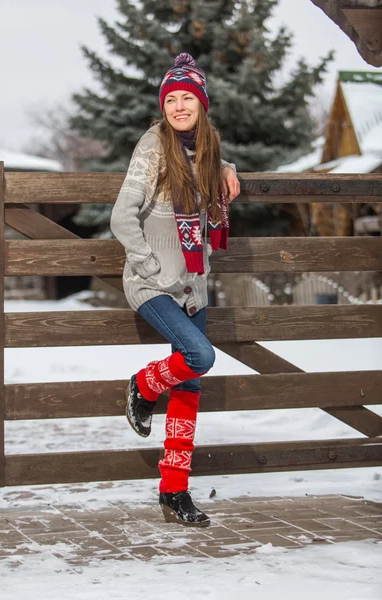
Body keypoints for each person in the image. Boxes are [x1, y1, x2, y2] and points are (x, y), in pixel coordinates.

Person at [111, 53, 240, 528]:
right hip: (153, 284)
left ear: (202, 106)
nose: (180, 106)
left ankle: (174, 491)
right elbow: (122, 216)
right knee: (200, 357)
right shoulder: (153, 146)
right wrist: (147, 267)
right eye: (172, 98)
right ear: (162, 106)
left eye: (188, 98)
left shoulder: (205, 151)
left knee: (188, 388)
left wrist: (227, 165)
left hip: (193, 286)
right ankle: (142, 386)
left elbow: (203, 159)